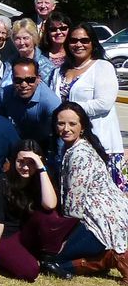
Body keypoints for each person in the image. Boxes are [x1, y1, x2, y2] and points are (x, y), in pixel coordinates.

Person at [50, 101, 128, 282]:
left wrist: (63, 235)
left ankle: (110, 257)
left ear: (82, 127)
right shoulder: (78, 146)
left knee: (52, 261)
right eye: (61, 123)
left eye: (72, 124)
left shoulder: (79, 155)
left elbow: (74, 205)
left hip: (100, 221)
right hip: (109, 215)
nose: (66, 129)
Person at [0, 141, 74, 281]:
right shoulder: (0, 183)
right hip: (5, 236)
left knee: (49, 215)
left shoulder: (39, 180)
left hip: (25, 233)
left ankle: (46, 259)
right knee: (30, 272)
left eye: (31, 163)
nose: (25, 167)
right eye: (20, 162)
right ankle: (9, 257)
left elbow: (50, 205)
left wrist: (41, 168)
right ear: (13, 160)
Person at [51, 23, 126, 189]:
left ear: (93, 43)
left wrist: (70, 111)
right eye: (73, 40)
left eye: (84, 40)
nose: (78, 44)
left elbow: (104, 103)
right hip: (68, 144)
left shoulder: (102, 67)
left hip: (100, 144)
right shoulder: (60, 71)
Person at [0, 57, 61, 149]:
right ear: (12, 79)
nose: (24, 85)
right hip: (13, 141)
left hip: (44, 143)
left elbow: (59, 134)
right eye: (18, 80)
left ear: (38, 79)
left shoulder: (51, 102)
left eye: (30, 80)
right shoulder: (3, 95)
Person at [7, 18, 56, 93]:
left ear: (34, 38)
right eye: (17, 38)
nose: (22, 42)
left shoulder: (46, 66)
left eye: (25, 38)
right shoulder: (9, 63)